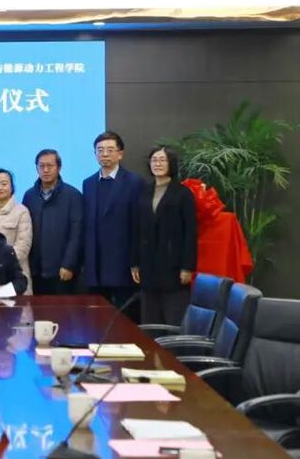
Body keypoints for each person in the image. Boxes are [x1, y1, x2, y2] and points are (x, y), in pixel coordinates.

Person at [132, 146, 197, 325]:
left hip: (173, 266)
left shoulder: (183, 193)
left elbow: (190, 232)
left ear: (171, 164)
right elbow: (137, 228)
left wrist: (187, 267)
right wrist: (134, 263)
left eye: (162, 160)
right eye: (154, 160)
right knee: (150, 321)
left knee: (173, 319)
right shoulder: (144, 191)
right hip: (148, 265)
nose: (157, 164)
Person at [81, 131, 145, 307]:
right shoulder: (88, 183)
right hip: (95, 265)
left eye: (110, 150)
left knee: (125, 316)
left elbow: (139, 225)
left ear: (120, 154)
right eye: (100, 150)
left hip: (123, 264)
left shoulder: (135, 182)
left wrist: (136, 262)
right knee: (97, 316)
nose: (105, 154)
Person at [21, 149, 83, 295]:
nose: (45, 170)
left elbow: (77, 233)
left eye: (50, 166)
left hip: (62, 269)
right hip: (35, 269)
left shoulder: (73, 195)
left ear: (59, 168)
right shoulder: (29, 196)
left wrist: (69, 264)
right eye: (41, 166)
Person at [0, 168, 33, 295]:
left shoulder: (22, 211)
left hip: (16, 274)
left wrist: (1, 263)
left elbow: (23, 247)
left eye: (4, 184)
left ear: (12, 187)